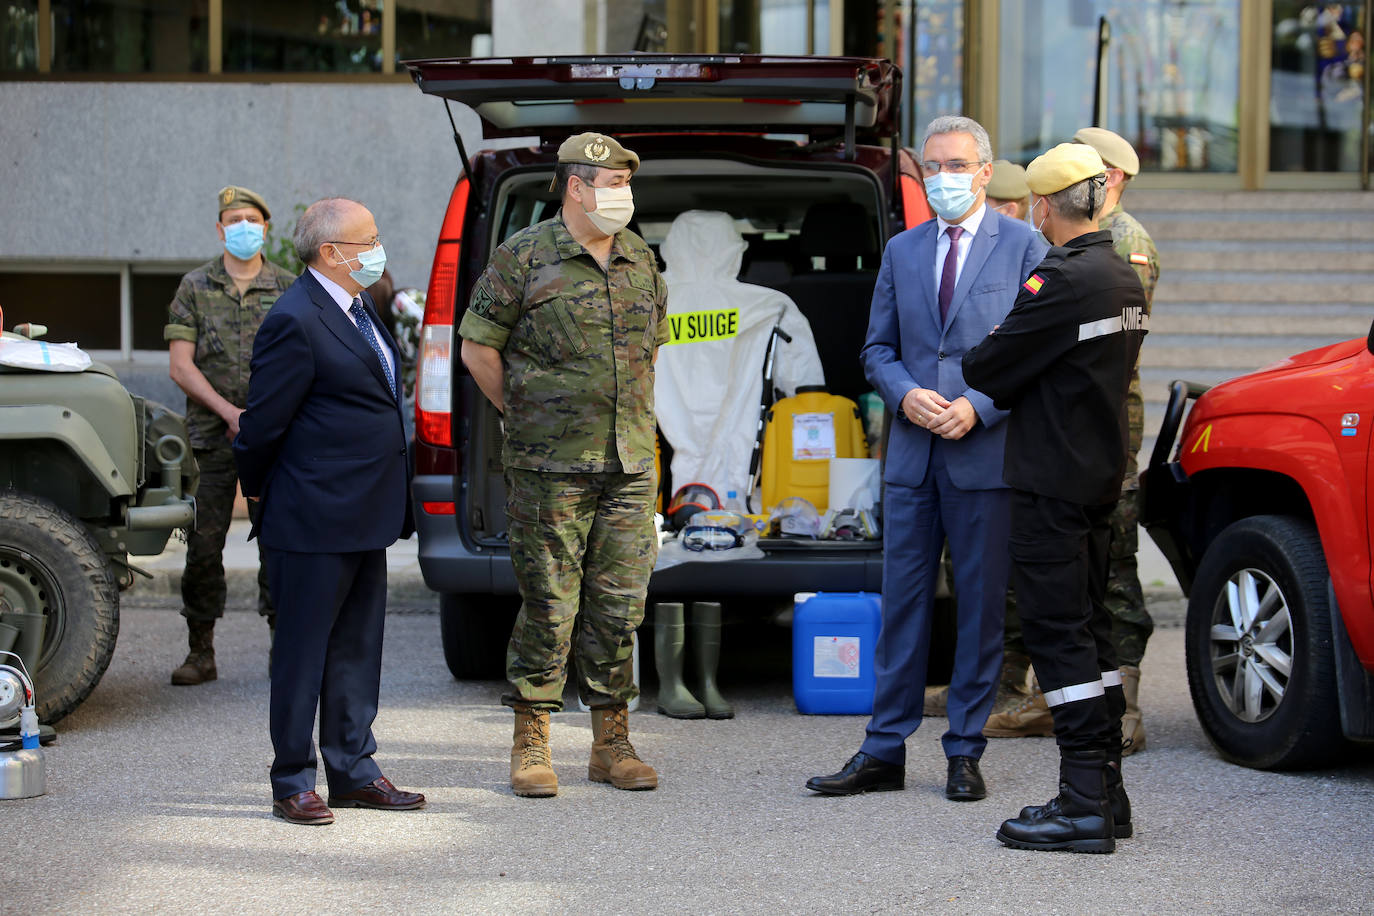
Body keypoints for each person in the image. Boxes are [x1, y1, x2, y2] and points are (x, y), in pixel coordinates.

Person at [805, 116, 1047, 803]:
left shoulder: (1025, 246)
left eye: (956, 164)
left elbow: (1034, 352)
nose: (943, 177)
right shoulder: (903, 251)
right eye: (933, 165)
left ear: (983, 171)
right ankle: (883, 749)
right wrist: (905, 395)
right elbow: (877, 349)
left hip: (985, 454)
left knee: (976, 609)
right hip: (912, 458)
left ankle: (964, 751)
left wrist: (979, 404)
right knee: (904, 605)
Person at [459, 132, 667, 798]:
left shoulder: (640, 257)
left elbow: (650, 354)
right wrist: (524, 416)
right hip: (550, 465)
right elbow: (477, 352)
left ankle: (612, 743)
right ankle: (532, 739)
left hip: (631, 462)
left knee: (620, 606)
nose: (624, 196)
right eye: (613, 185)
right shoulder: (523, 257)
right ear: (577, 187)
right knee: (550, 604)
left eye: (628, 184)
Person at [962, 142, 1147, 853]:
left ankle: (1080, 804)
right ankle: (1106, 793)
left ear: (1043, 206)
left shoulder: (1061, 279)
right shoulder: (1121, 275)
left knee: (1058, 637)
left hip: (1051, 482)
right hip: (1096, 476)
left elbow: (989, 364)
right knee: (1092, 637)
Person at [234, 197, 425, 826]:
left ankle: (353, 768)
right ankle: (293, 778)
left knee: (356, 648)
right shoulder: (295, 317)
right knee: (302, 653)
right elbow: (262, 427)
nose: (378, 249)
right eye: (367, 240)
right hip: (311, 516)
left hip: (365, 511)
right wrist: (262, 493)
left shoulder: (358, 305)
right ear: (331, 253)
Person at [164, 185, 294, 686]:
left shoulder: (288, 287)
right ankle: (201, 652)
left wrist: (263, 418)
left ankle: (283, 646)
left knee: (279, 544)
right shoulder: (195, 287)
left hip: (275, 441)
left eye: (252, 219)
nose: (243, 227)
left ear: (265, 228)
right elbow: (181, 366)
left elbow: (298, 361)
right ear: (221, 229)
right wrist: (230, 412)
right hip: (209, 439)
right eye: (234, 219)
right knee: (202, 547)